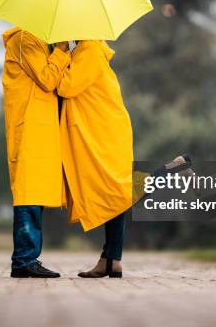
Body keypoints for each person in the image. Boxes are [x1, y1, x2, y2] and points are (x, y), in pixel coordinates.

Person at [58, 39, 133, 278]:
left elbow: (66, 87)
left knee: (117, 192)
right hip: (104, 131)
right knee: (114, 194)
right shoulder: (87, 50)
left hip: (103, 134)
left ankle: (173, 169)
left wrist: (60, 53)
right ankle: (111, 259)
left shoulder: (89, 50)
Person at [1, 27, 70, 278]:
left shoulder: (39, 41)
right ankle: (23, 260)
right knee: (29, 193)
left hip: (39, 126)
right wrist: (62, 50)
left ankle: (28, 257)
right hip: (28, 124)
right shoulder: (25, 39)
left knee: (35, 192)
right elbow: (47, 78)